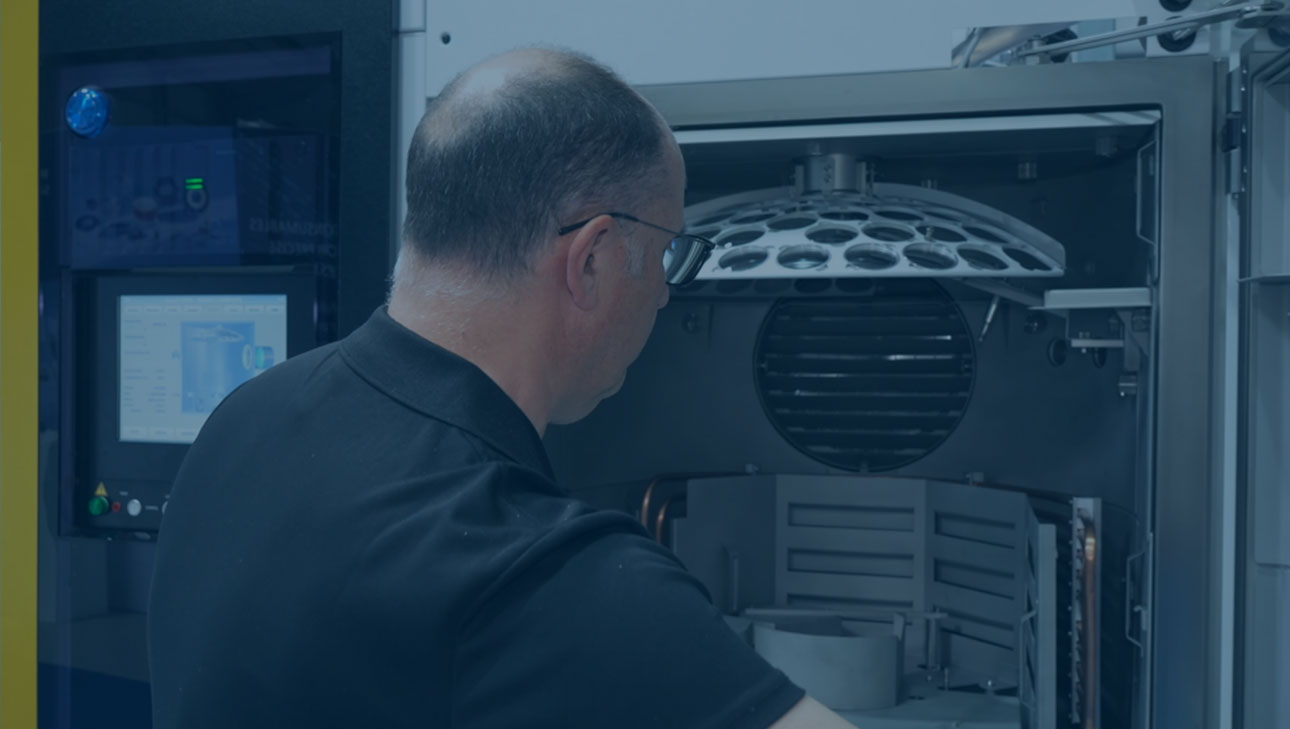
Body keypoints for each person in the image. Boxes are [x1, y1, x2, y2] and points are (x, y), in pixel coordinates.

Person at [149, 47, 857, 729]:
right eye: (667, 251)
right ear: (592, 259)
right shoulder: (538, 572)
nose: (666, 295)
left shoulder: (244, 417)